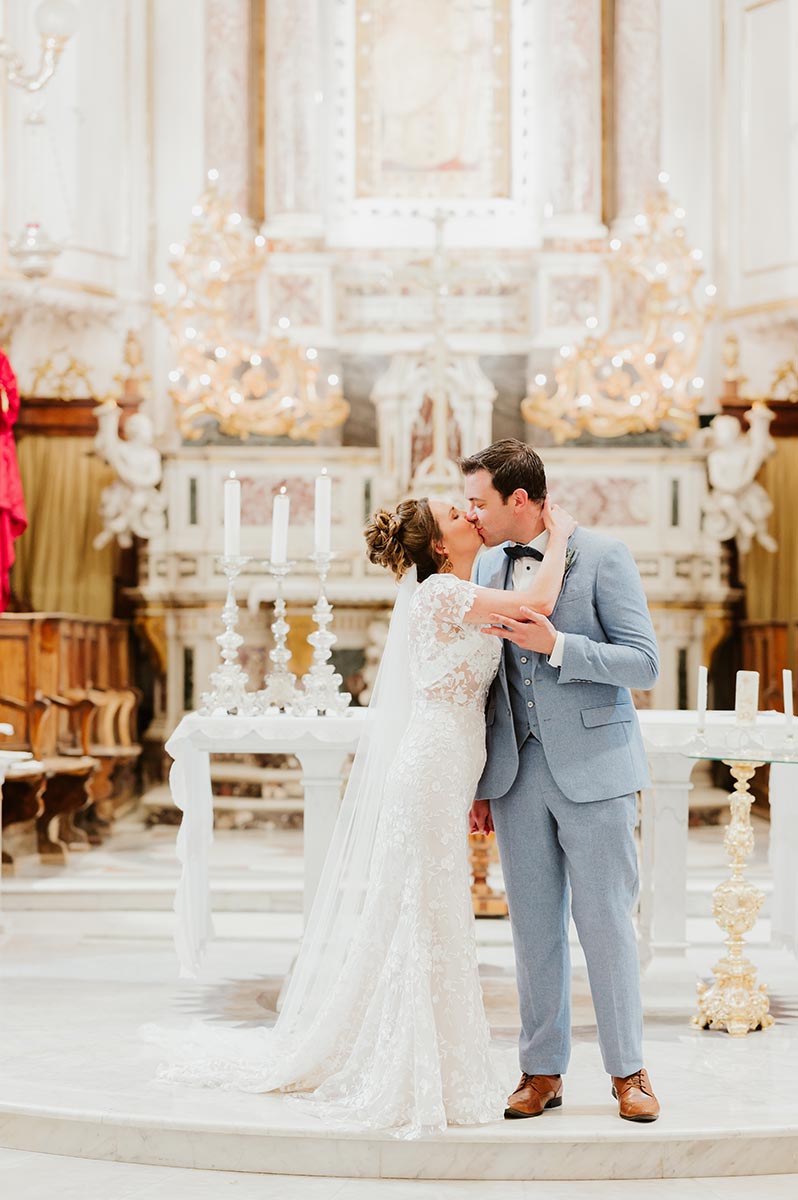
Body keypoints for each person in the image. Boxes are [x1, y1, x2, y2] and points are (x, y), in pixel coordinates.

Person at [145, 491, 576, 1138]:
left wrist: (482, 788)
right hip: (430, 764)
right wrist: (560, 537)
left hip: (451, 766)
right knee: (426, 912)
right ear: (437, 545)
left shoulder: (460, 589)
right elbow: (539, 604)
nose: (470, 515)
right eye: (457, 516)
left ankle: (427, 1055)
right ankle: (410, 1065)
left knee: (430, 909)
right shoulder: (439, 595)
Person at [463, 438, 661, 1123]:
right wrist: (483, 783)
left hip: (597, 770)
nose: (473, 515)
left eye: (480, 502)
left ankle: (629, 1071)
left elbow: (643, 664)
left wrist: (561, 648)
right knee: (532, 929)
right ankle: (540, 1069)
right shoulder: (485, 563)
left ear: (519, 499)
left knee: (606, 922)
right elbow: (486, 686)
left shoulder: (603, 555)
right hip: (518, 775)